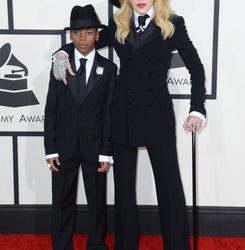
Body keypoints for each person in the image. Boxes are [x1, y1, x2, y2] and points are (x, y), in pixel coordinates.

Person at [52, 0, 206, 249]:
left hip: (157, 114)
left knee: (170, 188)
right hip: (122, 113)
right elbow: (85, 43)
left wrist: (197, 108)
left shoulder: (173, 24)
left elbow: (196, 68)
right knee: (123, 190)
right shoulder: (117, 24)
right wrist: (60, 54)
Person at [44, 4, 117, 250]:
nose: (81, 38)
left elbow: (108, 112)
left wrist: (106, 150)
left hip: (95, 146)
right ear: (69, 36)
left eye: (88, 33)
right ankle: (61, 245)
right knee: (62, 201)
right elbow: (50, 108)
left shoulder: (109, 69)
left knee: (97, 201)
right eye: (76, 33)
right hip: (63, 147)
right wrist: (50, 148)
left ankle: (96, 244)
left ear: (97, 35)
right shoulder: (59, 64)